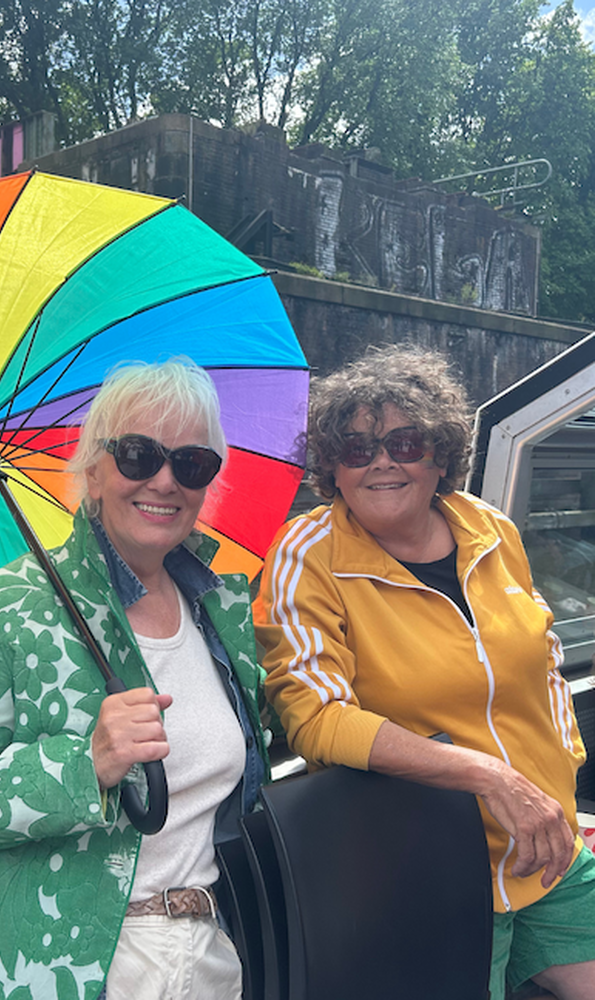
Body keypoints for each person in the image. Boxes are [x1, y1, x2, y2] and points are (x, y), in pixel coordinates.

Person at [0, 358, 270, 1000]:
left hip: (205, 954)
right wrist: (85, 764)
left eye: (191, 463)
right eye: (138, 455)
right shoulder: (6, 607)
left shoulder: (219, 612)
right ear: (94, 470)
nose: (164, 480)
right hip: (58, 967)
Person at [257, 344, 595, 1000]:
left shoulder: (489, 529)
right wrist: (489, 775)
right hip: (429, 870)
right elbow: (314, 719)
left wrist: (559, 782)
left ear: (439, 453)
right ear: (333, 469)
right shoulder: (308, 553)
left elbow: (544, 658)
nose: (381, 459)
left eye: (403, 441)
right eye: (356, 448)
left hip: (548, 846)